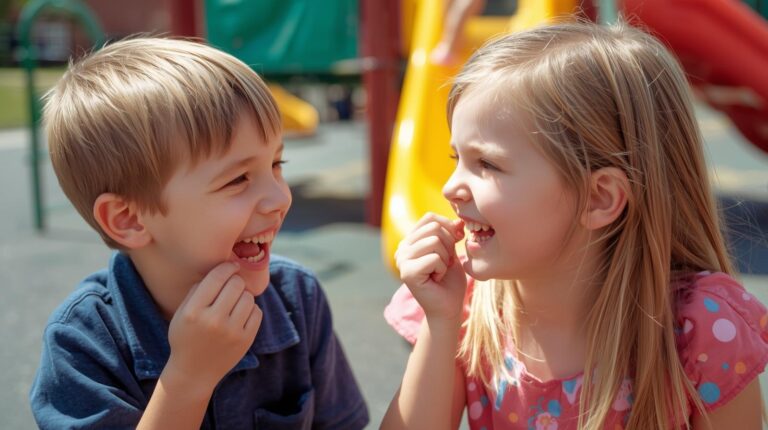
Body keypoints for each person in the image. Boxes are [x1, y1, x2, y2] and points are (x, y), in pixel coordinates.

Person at [381, 21, 768, 429]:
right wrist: (439, 324)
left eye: (487, 164)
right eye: (455, 158)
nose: (450, 187)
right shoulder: (466, 308)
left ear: (599, 198)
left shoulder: (699, 332)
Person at [29, 37, 369, 430]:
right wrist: (188, 379)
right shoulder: (82, 344)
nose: (280, 197)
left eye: (277, 163)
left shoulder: (297, 298)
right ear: (128, 219)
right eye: (239, 179)